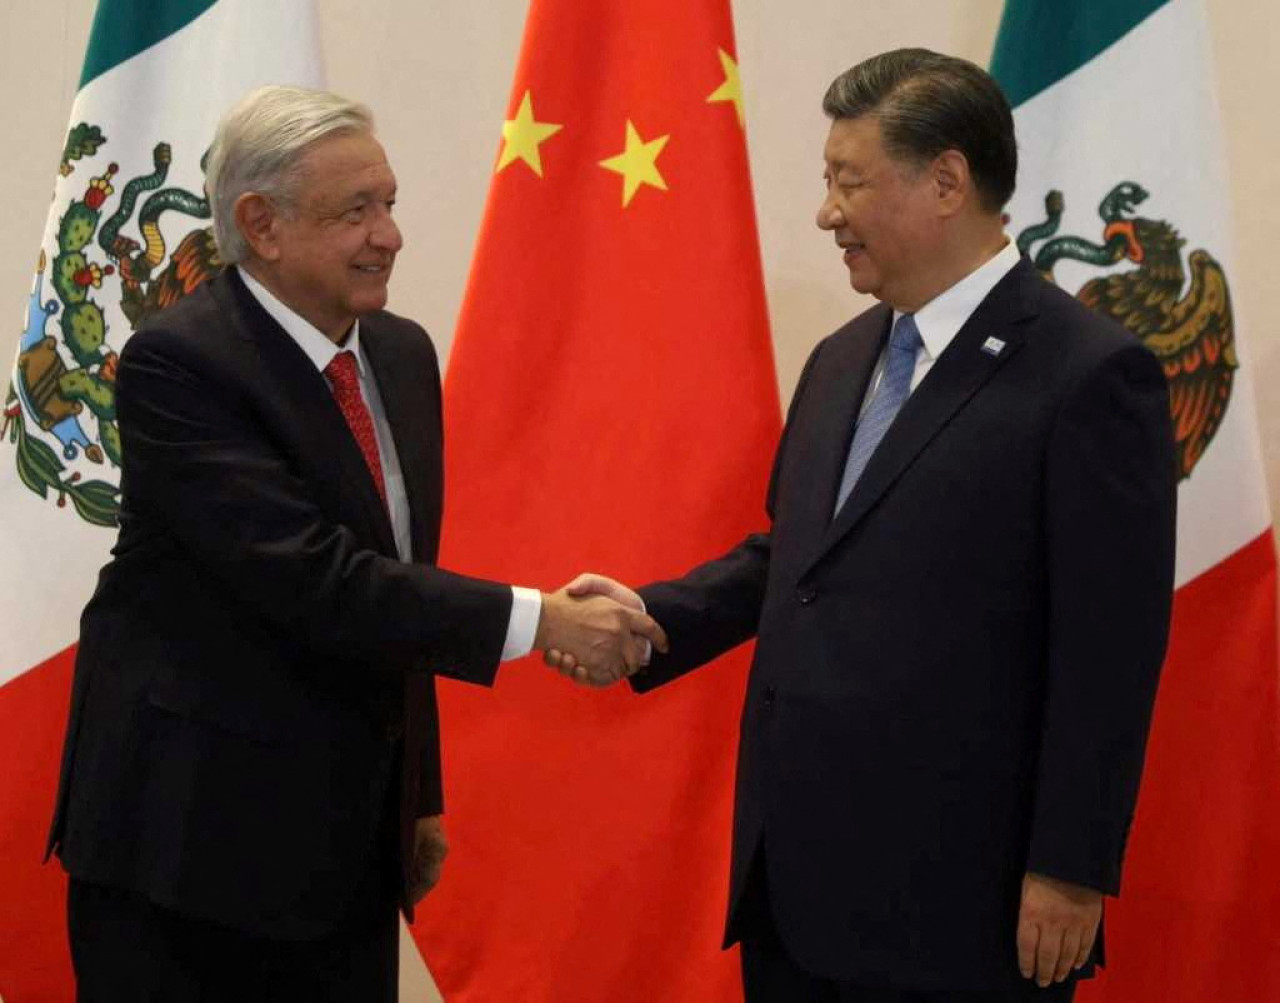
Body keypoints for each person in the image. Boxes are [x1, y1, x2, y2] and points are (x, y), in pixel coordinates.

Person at [552, 49, 1176, 1001]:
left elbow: (1111, 649)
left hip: (963, 901)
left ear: (946, 181)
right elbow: (798, 560)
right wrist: (650, 613)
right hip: (796, 885)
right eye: (825, 181)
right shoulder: (844, 358)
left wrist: (1071, 867)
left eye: (849, 181)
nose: (825, 213)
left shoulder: (1089, 375)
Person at [46, 84, 665, 1001]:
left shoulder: (403, 354)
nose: (390, 234)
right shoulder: (182, 365)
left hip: (345, 845)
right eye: (355, 211)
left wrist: (416, 791)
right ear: (261, 223)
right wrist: (544, 621)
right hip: (188, 849)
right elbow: (317, 580)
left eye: (390, 203)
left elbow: (396, 583)